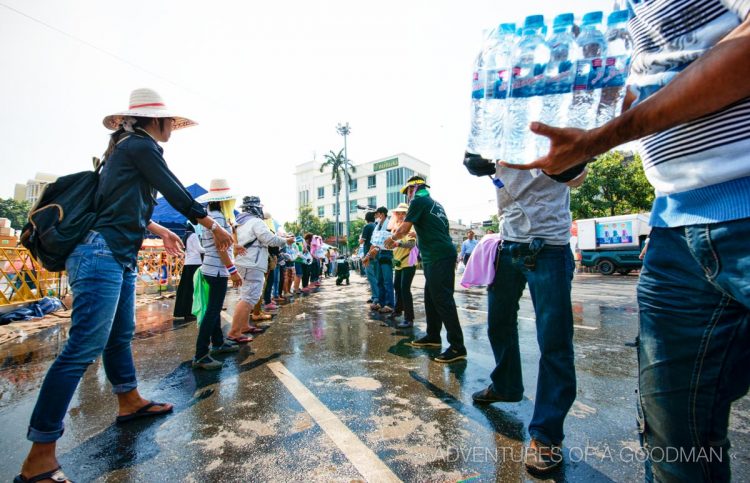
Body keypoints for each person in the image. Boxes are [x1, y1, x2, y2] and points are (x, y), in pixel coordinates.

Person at [502, 3, 750, 479]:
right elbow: (652, 94)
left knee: (556, 343)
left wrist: (601, 138)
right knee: (676, 442)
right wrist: (577, 134)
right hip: (676, 226)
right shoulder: (623, 13)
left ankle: (546, 433)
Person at [16, 88, 235, 483]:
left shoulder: (122, 148)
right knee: (82, 348)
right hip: (101, 253)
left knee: (119, 337)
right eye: (169, 121)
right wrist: (214, 224)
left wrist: (155, 229)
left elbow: (115, 204)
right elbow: (175, 189)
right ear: (156, 120)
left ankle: (129, 400)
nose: (172, 127)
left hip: (118, 251)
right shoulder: (141, 145)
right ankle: (39, 457)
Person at [470, 146, 587, 473]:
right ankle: (506, 386)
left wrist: (552, 162)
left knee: (554, 342)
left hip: (549, 246)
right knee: (498, 324)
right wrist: (479, 161)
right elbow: (480, 157)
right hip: (508, 244)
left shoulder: (550, 119)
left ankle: (547, 434)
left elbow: (578, 177)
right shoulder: (497, 127)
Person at [385, 176, 466, 363]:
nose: (407, 196)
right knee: (430, 297)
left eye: (407, 192)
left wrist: (393, 239)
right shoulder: (434, 203)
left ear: (414, 188)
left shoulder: (419, 201)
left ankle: (457, 346)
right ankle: (433, 336)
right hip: (436, 255)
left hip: (439, 256)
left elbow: (404, 228)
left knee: (443, 300)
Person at [192, 179, 243, 370]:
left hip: (211, 267)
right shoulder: (218, 218)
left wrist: (234, 245)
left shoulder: (210, 215)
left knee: (213, 309)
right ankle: (200, 354)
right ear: (224, 200)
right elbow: (221, 248)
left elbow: (220, 244)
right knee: (213, 311)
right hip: (217, 270)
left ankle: (218, 343)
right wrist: (233, 271)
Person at [227, 196, 292, 343]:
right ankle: (234, 332)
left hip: (244, 262)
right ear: (255, 208)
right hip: (252, 263)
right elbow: (270, 239)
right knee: (249, 297)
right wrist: (286, 240)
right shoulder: (256, 222)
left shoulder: (239, 223)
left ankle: (243, 326)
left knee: (246, 295)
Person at [390, 202, 418, 329]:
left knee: (405, 289)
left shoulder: (410, 228)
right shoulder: (396, 227)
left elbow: (411, 245)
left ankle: (409, 319)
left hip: (408, 262)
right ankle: (397, 310)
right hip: (398, 262)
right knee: (397, 286)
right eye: (398, 213)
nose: (401, 215)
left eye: (403, 213)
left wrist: (397, 244)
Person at [366, 207, 395, 314]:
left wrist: (375, 249)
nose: (375, 216)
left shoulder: (389, 224)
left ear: (381, 214)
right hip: (377, 255)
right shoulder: (377, 226)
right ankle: (381, 302)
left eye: (376, 214)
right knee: (379, 280)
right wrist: (368, 255)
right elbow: (374, 242)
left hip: (386, 254)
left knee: (387, 281)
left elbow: (387, 241)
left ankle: (390, 304)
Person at [173, 222, 204, 321]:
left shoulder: (185, 236)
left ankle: (184, 312)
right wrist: (211, 249)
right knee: (194, 289)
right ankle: (191, 312)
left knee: (186, 289)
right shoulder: (194, 235)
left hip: (187, 264)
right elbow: (199, 249)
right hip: (195, 264)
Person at [359, 211, 378, 304]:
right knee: (376, 276)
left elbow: (362, 241)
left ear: (366, 219)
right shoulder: (376, 225)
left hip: (368, 254)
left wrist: (360, 239)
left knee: (371, 276)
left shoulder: (367, 227)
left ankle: (376, 297)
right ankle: (375, 296)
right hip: (376, 253)